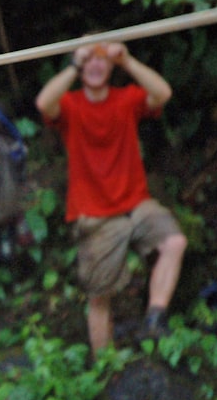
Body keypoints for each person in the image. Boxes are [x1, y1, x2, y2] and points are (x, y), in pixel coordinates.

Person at [35, 40, 187, 354]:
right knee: (99, 296)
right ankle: (104, 364)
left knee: (174, 242)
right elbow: (44, 103)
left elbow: (163, 93)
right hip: (93, 211)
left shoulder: (125, 99)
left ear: (111, 66)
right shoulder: (71, 104)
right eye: (88, 60)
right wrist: (74, 64)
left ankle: (155, 318)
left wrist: (127, 60)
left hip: (135, 203)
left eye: (102, 60)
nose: (95, 65)